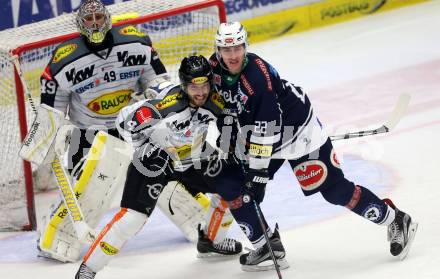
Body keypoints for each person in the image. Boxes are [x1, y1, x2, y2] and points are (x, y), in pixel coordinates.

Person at [26, 0, 232, 263]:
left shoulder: (136, 43)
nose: (95, 23)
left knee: (164, 166)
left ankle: (196, 219)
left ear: (108, 18)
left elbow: (158, 84)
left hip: (133, 125)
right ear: (80, 24)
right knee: (95, 186)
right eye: (89, 20)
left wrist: (167, 115)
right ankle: (56, 235)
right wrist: (45, 139)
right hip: (89, 135)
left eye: (99, 17)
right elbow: (52, 111)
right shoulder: (63, 60)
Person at [209, 22, 418, 271]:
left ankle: (397, 220)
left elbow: (268, 125)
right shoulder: (214, 68)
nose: (233, 55)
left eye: (238, 48)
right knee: (237, 187)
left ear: (246, 46)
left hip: (297, 132)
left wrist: (259, 172)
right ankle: (266, 247)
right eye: (226, 49)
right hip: (263, 135)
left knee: (335, 192)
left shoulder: (256, 76)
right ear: (218, 49)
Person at [74, 55, 243, 279]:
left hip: (191, 155)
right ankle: (89, 268)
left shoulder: (215, 101)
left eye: (204, 85)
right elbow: (124, 121)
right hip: (154, 159)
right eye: (194, 86)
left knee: (233, 184)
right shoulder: (166, 107)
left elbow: (229, 124)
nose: (200, 92)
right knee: (133, 219)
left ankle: (211, 241)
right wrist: (150, 140)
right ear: (184, 85)